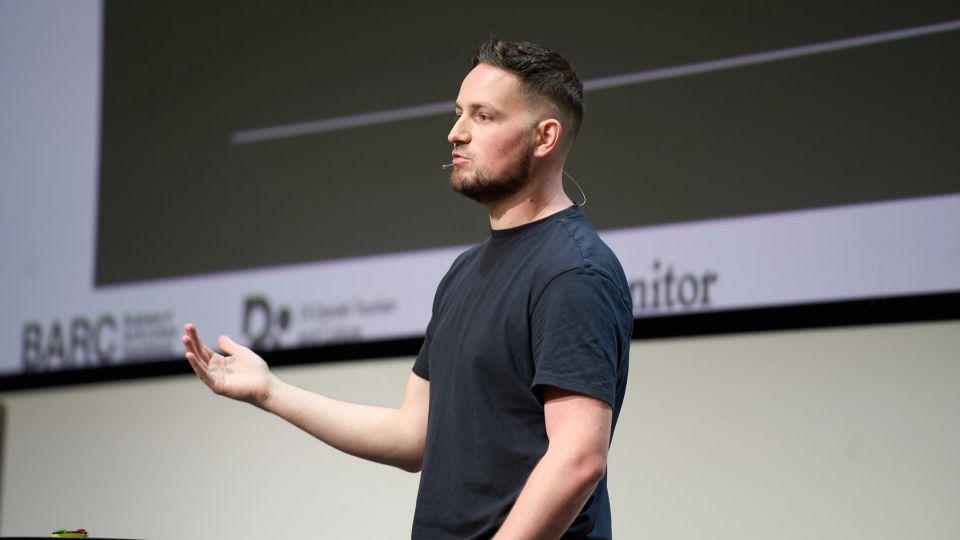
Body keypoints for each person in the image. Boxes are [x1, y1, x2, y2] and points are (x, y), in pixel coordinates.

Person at [183, 38, 633, 539]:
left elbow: (577, 460)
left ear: (544, 137)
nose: (455, 133)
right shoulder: (464, 273)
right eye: (459, 112)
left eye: (483, 116)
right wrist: (270, 391)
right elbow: (411, 435)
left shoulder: (573, 271)